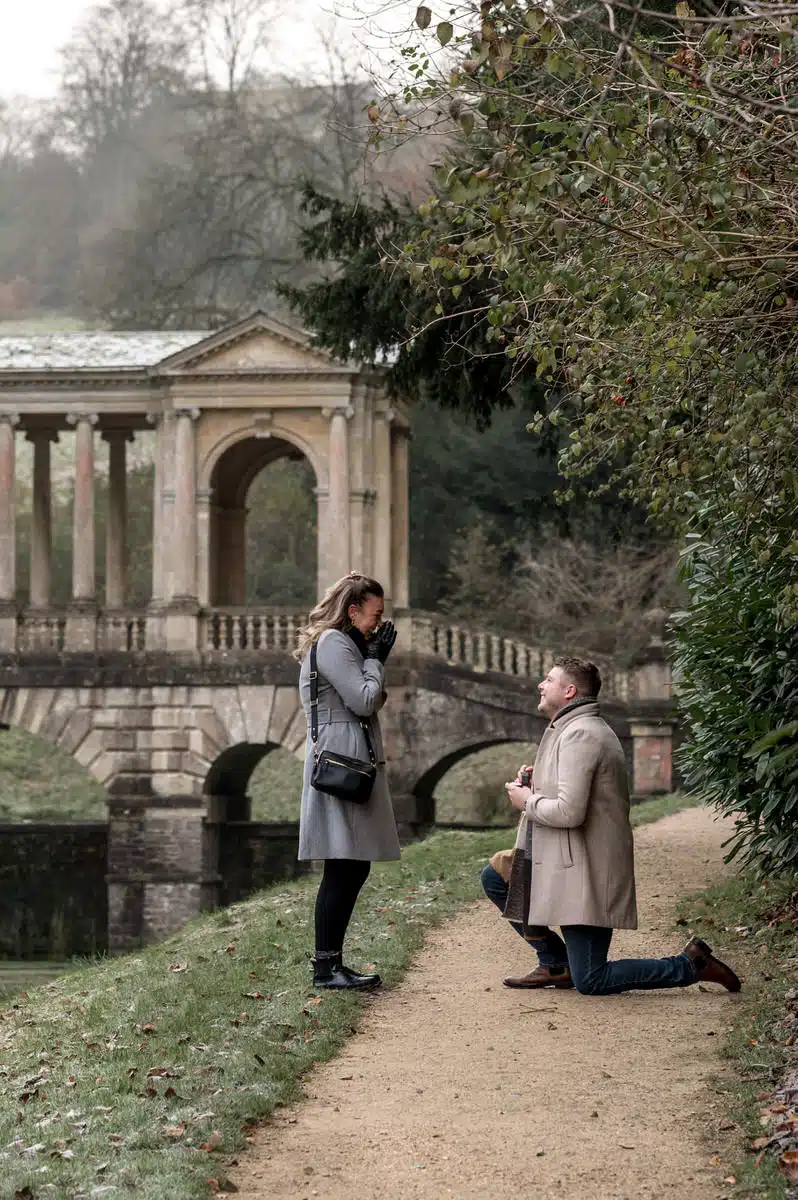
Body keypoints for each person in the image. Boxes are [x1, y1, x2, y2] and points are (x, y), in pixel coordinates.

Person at [481, 656, 741, 995]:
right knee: (495, 877)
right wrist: (532, 786)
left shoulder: (581, 735)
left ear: (570, 690)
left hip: (583, 870)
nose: (540, 685)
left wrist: (527, 801)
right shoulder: (569, 728)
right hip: (561, 859)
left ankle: (691, 965)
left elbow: (569, 812)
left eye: (549, 679)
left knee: (592, 979)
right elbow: (568, 794)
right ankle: (555, 963)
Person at [295, 572, 400, 990]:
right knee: (342, 866)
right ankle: (326, 969)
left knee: (351, 866)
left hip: (349, 754)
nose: (378, 623)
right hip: (343, 759)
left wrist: (370, 654)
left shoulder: (343, 644)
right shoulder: (335, 643)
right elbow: (364, 698)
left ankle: (332, 964)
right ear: (352, 610)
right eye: (374, 615)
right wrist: (375, 659)